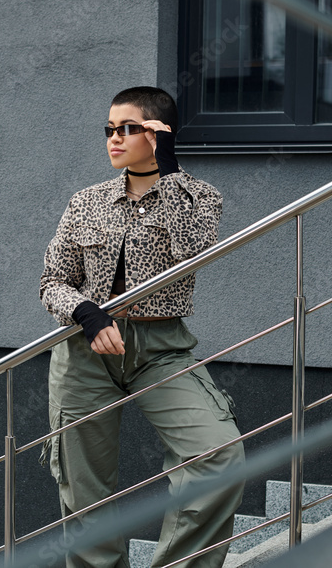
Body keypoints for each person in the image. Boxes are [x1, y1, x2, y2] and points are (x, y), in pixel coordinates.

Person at [39, 86, 245, 568]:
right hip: (85, 352)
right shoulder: (87, 202)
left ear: (159, 134)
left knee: (219, 458)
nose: (114, 139)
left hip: (161, 349)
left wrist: (169, 169)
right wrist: (87, 313)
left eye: (129, 128)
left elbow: (194, 249)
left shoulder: (199, 196)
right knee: (85, 497)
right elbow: (53, 281)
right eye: (109, 129)